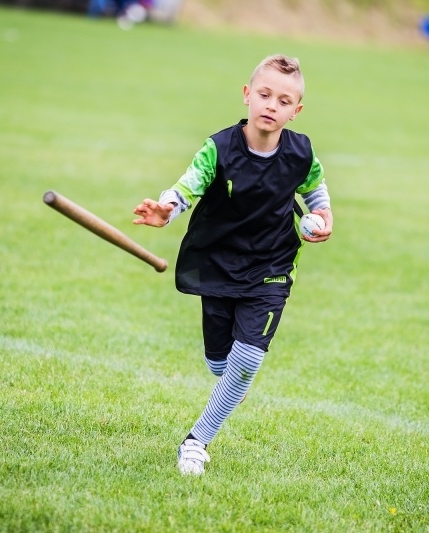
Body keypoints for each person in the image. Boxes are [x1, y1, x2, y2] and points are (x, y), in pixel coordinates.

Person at [132, 54, 333, 475]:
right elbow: (188, 186)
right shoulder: (219, 148)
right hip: (218, 264)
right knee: (221, 365)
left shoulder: (300, 152)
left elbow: (314, 187)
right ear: (247, 95)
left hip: (272, 267)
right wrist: (167, 208)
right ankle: (229, 379)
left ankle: (195, 442)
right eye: (264, 94)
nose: (271, 105)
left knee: (247, 362)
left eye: (283, 101)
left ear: (296, 111)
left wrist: (324, 213)